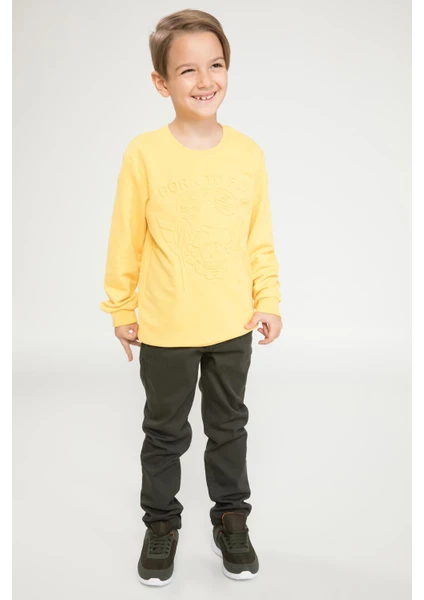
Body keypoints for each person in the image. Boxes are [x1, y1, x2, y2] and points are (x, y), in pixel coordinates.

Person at [99, 8, 283, 587]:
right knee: (165, 434)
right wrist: (121, 308)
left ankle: (232, 520)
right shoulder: (144, 154)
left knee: (229, 429)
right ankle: (161, 524)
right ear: (161, 82)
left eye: (216, 65)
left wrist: (269, 298)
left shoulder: (248, 154)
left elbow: (259, 237)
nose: (205, 81)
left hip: (232, 323)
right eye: (187, 70)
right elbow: (126, 238)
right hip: (165, 327)